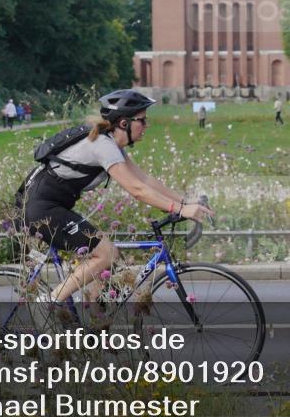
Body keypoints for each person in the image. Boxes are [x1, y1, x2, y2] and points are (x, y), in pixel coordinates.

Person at [17, 89, 214, 303]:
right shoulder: (103, 146)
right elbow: (137, 190)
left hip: (51, 207)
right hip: (41, 210)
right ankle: (48, 303)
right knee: (107, 254)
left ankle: (95, 329)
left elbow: (145, 180)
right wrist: (180, 209)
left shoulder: (111, 145)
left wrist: (185, 200)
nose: (146, 126)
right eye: (142, 120)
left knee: (105, 267)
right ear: (123, 123)